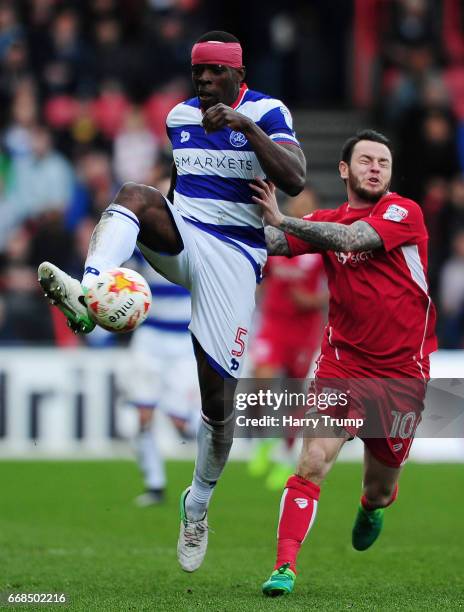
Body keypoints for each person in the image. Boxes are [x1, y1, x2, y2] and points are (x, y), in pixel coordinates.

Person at [37, 31, 306, 572]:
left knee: (219, 408)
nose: (203, 81)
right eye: (197, 72)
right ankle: (89, 290)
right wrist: (166, 222)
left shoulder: (268, 111)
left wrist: (245, 127)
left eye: (214, 72)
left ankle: (197, 503)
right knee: (135, 195)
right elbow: (181, 186)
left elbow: (295, 179)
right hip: (188, 236)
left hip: (234, 258)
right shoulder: (179, 119)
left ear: (238, 72)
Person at [250, 129, 437, 596]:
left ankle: (373, 505)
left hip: (401, 374)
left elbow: (350, 237)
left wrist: (286, 220)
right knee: (313, 459)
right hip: (343, 364)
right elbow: (271, 244)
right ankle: (285, 567)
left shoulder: (402, 212)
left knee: (379, 487)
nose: (376, 168)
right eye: (367, 160)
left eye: (383, 162)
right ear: (344, 169)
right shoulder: (325, 218)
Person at [249, 187, 327, 490]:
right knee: (260, 383)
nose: (301, 208)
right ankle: (265, 440)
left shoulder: (321, 248)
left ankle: (283, 456)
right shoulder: (278, 241)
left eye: (307, 204)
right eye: (297, 203)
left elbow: (332, 291)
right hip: (274, 325)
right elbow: (261, 275)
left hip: (303, 332)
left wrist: (311, 300)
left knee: (295, 396)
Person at [123, 252, 200, 507]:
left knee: (180, 422)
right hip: (150, 336)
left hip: (184, 339)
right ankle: (155, 485)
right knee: (143, 415)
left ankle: (205, 478)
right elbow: (123, 276)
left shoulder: (195, 241)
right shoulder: (141, 244)